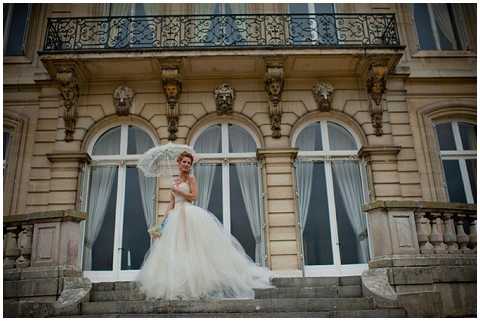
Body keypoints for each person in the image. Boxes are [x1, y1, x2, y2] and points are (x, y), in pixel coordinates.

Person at [136, 151, 273, 300]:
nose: (187, 165)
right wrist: (161, 224)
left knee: (194, 248)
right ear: (179, 162)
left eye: (189, 163)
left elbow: (194, 197)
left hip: (189, 213)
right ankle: (181, 283)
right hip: (175, 216)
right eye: (184, 162)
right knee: (177, 249)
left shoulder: (191, 179)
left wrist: (178, 191)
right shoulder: (174, 182)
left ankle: (201, 281)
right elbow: (171, 203)